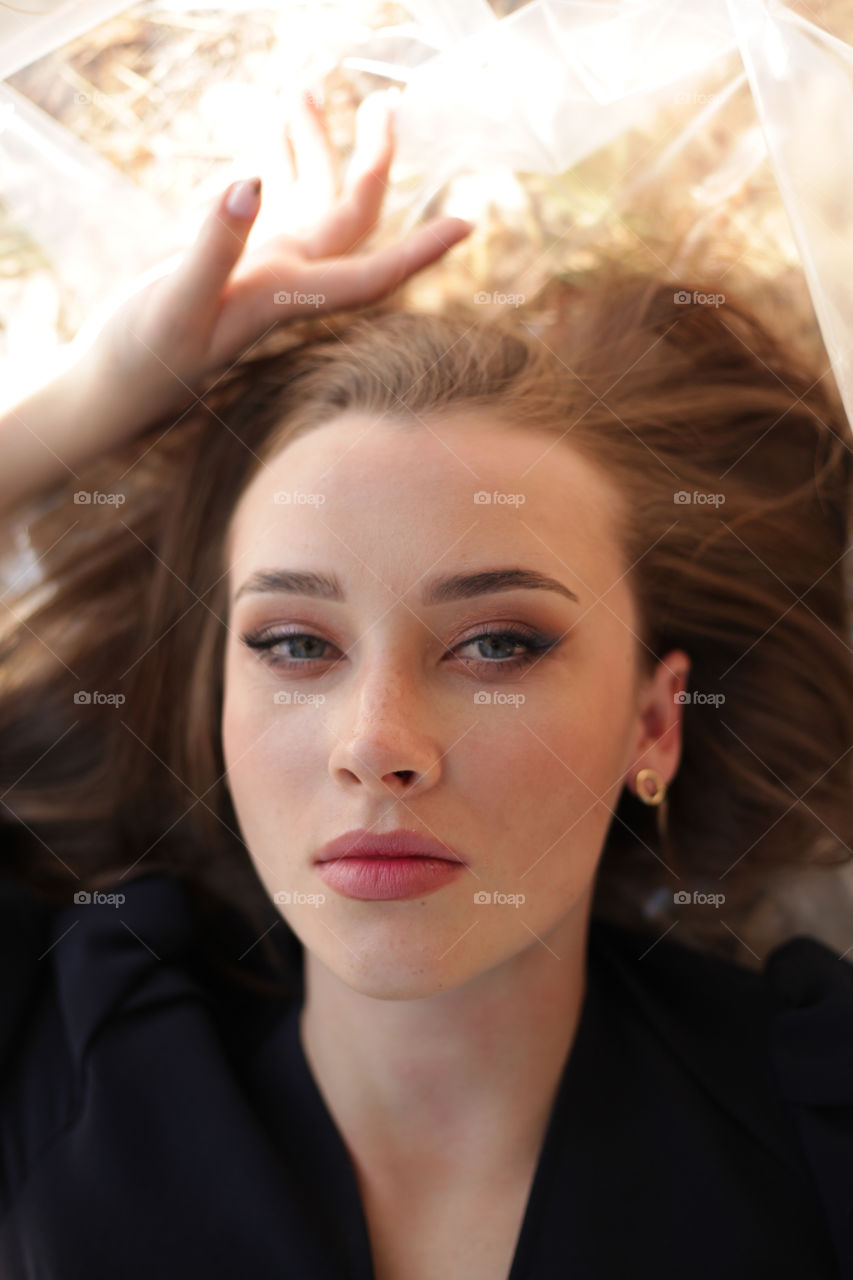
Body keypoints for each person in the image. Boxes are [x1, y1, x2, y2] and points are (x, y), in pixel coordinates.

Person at [0, 85, 852, 1280]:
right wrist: (105, 388)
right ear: (214, 700)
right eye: (295, 644)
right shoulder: (60, 1039)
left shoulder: (815, 1112)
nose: (376, 743)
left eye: (497, 644)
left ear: (653, 722)